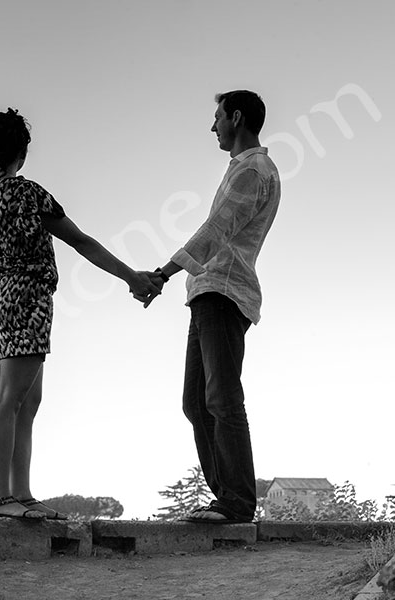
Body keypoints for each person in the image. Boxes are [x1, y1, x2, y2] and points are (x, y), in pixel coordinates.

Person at [0, 108, 161, 519]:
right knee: (11, 398)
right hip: (29, 297)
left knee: (28, 399)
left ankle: (20, 493)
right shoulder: (29, 193)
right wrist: (130, 277)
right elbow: (81, 242)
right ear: (23, 153)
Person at [147, 90, 281, 524]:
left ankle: (237, 502)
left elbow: (216, 230)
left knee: (222, 398)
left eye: (218, 117)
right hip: (208, 292)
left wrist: (162, 274)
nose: (213, 126)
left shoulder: (254, 170)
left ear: (236, 117)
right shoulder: (244, 170)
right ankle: (226, 498)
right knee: (196, 402)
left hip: (223, 292)